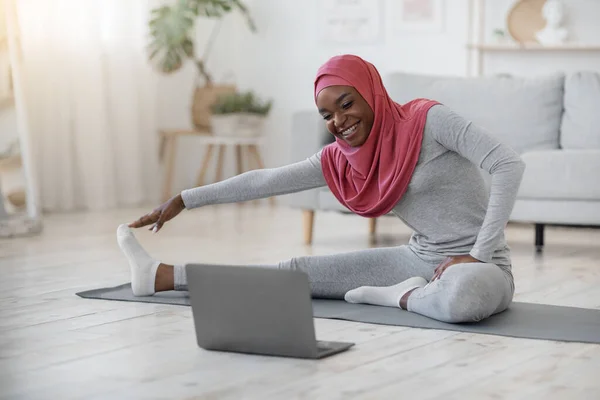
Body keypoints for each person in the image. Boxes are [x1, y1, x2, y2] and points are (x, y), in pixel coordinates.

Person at [117, 54, 525, 323]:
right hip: (418, 261)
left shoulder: (430, 120)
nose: (339, 120)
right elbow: (265, 180)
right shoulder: (340, 158)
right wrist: (185, 199)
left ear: (370, 92)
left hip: (484, 268)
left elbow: (508, 163)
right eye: (327, 114)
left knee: (461, 298)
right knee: (296, 274)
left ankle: (399, 298)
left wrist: (476, 256)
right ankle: (162, 276)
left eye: (347, 103)